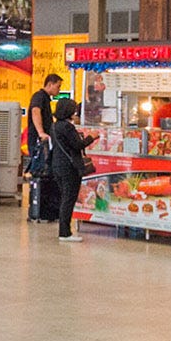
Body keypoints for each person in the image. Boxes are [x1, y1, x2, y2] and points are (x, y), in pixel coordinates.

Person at [51, 98, 96, 242]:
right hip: (70, 168)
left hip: (57, 165)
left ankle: (64, 230)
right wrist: (91, 137)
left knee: (65, 198)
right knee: (69, 199)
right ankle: (65, 233)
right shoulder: (67, 127)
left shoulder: (55, 126)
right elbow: (78, 145)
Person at [27, 73, 62, 152]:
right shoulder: (39, 96)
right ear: (50, 84)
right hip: (38, 140)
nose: (59, 90)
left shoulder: (45, 98)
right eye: (58, 86)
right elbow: (35, 111)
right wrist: (41, 133)